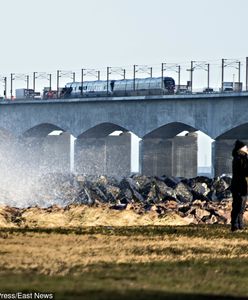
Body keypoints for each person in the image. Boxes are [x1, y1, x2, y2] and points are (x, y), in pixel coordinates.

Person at [230, 140, 248, 231]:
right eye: (246, 147)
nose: (247, 148)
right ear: (241, 148)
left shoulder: (239, 157)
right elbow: (245, 171)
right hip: (240, 184)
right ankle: (236, 225)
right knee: (239, 205)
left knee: (239, 205)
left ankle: (239, 225)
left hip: (237, 184)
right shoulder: (240, 158)